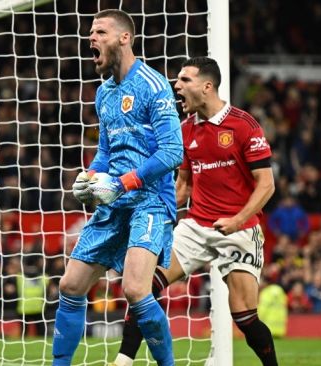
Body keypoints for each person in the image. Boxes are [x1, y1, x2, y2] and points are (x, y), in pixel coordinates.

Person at [111, 56, 278, 366]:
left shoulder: (243, 125)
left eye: (184, 80)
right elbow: (183, 186)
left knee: (244, 316)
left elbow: (266, 185)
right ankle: (123, 360)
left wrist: (238, 219)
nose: (177, 86)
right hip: (196, 226)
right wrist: (153, 217)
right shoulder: (185, 130)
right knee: (142, 286)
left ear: (207, 86)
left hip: (239, 231)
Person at [52, 9, 183, 366]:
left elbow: (173, 151)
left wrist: (123, 182)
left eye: (100, 32)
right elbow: (106, 151)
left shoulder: (154, 86)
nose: (90, 38)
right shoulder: (104, 93)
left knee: (136, 288)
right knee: (70, 286)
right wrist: (90, 177)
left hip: (150, 201)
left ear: (124, 37)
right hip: (115, 201)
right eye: (90, 32)